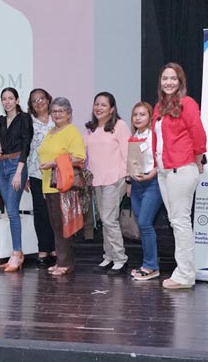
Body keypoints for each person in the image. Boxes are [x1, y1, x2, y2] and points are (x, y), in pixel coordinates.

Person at [153, 62, 207, 289]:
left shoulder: (188, 104)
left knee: (181, 222)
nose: (168, 82)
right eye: (165, 78)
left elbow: (198, 133)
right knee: (176, 222)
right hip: (164, 171)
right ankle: (183, 271)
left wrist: (198, 157)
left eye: (173, 78)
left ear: (180, 81)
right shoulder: (159, 107)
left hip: (181, 169)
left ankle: (184, 275)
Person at [84, 92, 131, 275]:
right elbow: (85, 155)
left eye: (104, 105)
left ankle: (121, 259)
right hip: (97, 180)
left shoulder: (120, 126)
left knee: (109, 219)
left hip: (115, 178)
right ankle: (109, 256)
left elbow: (129, 154)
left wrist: (129, 179)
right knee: (104, 219)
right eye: (97, 104)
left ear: (112, 109)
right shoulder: (90, 128)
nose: (99, 108)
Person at [38, 97, 85, 276]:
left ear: (69, 114)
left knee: (63, 225)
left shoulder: (72, 132)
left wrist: (53, 163)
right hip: (48, 186)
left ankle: (66, 263)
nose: (57, 114)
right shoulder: (51, 132)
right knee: (56, 226)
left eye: (61, 111)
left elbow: (79, 157)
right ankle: (61, 261)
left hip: (63, 186)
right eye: (54, 111)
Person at [0, 87, 33, 272]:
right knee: (9, 210)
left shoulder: (24, 118)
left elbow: (26, 146)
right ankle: (15, 253)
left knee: (13, 211)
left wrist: (19, 173)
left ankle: (17, 252)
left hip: (17, 164)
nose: (7, 102)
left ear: (17, 100)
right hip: (3, 166)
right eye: (4, 99)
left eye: (10, 98)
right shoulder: (0, 120)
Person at [127, 102, 162, 280]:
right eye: (135, 115)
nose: (138, 118)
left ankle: (151, 266)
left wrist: (150, 176)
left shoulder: (154, 136)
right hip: (136, 185)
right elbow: (132, 163)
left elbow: (161, 159)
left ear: (150, 118)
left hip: (152, 183)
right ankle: (147, 263)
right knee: (142, 225)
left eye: (142, 114)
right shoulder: (134, 136)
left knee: (145, 223)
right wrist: (129, 181)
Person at [27, 88, 56, 268]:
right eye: (35, 100)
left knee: (56, 213)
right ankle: (43, 249)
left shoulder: (57, 119)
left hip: (56, 173)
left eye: (42, 99)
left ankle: (56, 249)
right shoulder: (29, 122)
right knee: (40, 212)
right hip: (36, 172)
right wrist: (25, 176)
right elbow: (26, 149)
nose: (39, 103)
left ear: (48, 100)